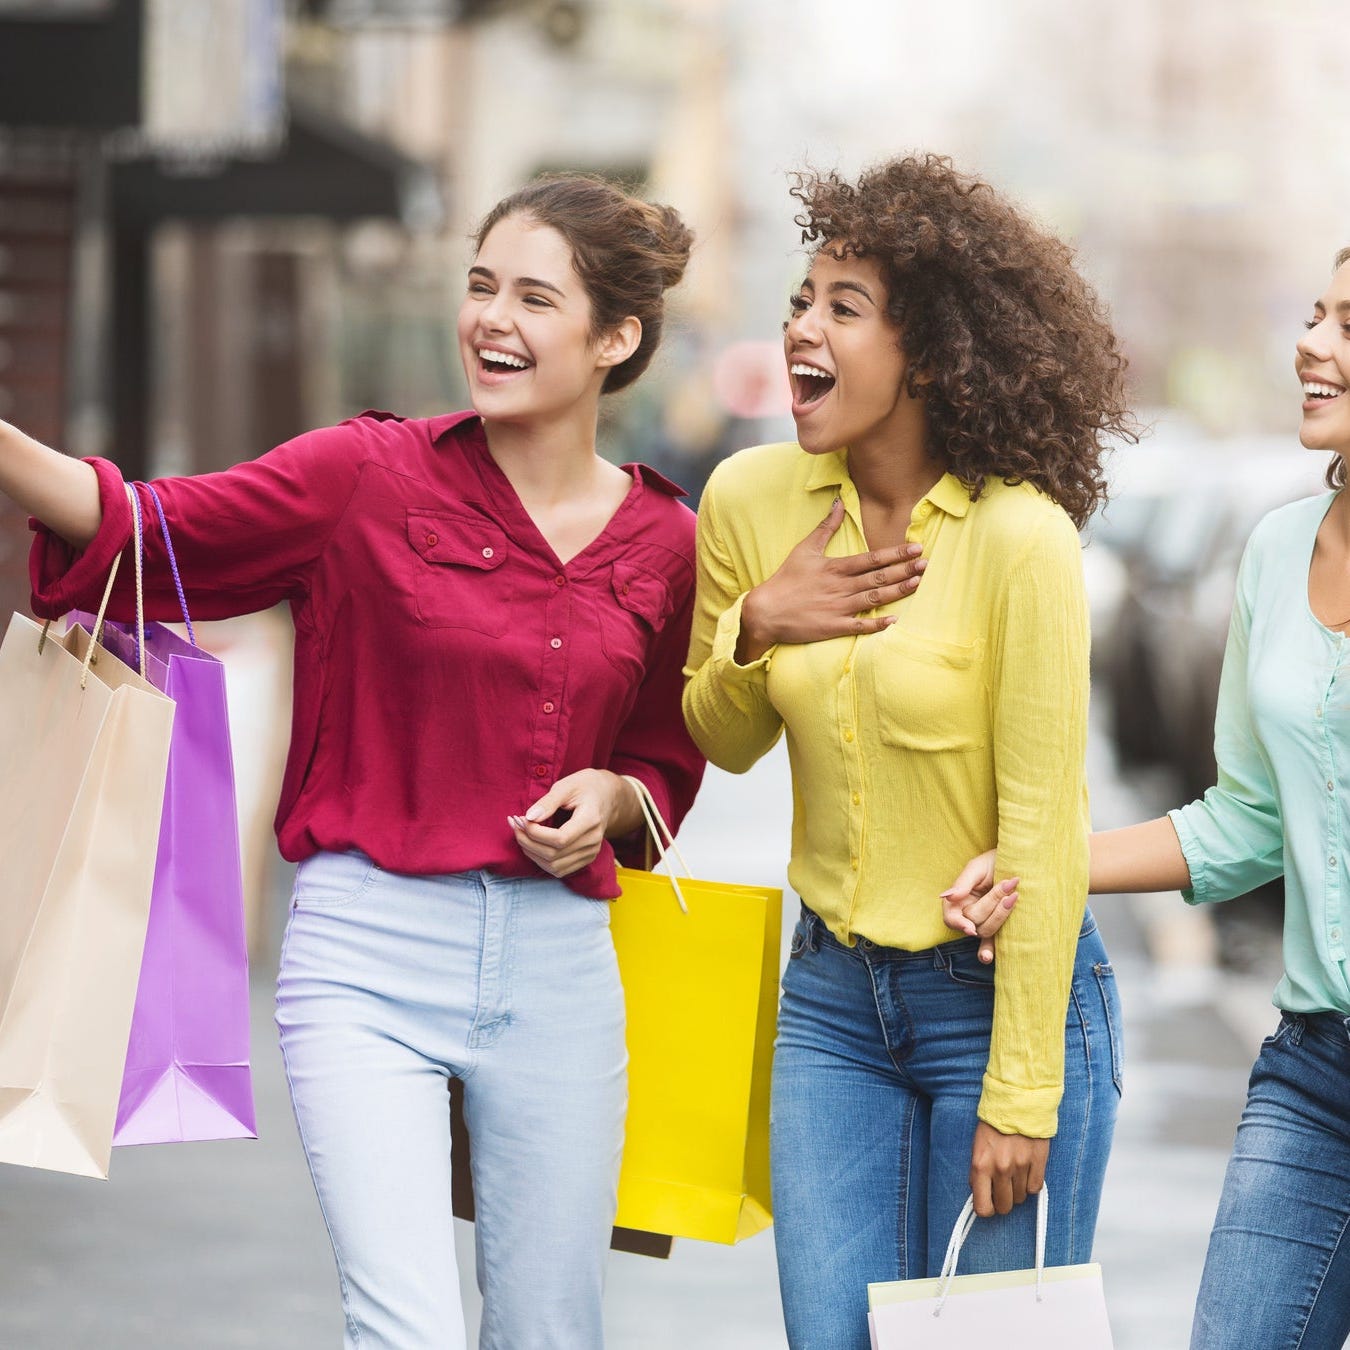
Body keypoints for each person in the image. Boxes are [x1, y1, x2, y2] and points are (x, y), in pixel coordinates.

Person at [3, 174, 705, 1350]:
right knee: (406, 1331)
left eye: (536, 298)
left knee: (551, 1333)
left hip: (561, 974)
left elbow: (666, 756)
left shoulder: (669, 541)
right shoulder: (364, 476)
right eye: (481, 287)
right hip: (365, 954)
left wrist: (619, 797)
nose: (492, 320)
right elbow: (145, 526)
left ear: (616, 339)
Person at [682, 153, 1137, 1349]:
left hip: (992, 1002)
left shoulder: (1020, 540)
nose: (801, 330)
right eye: (800, 300)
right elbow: (720, 742)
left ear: (929, 354)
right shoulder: (748, 500)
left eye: (844, 306)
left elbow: (1041, 822)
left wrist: (1023, 1090)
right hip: (829, 1001)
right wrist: (754, 630)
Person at [945, 244, 1350, 1350]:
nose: (1310, 343)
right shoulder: (1275, 549)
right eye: (1315, 313)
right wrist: (1047, 866)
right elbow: (1250, 819)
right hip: (1316, 1072)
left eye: (1346, 325)